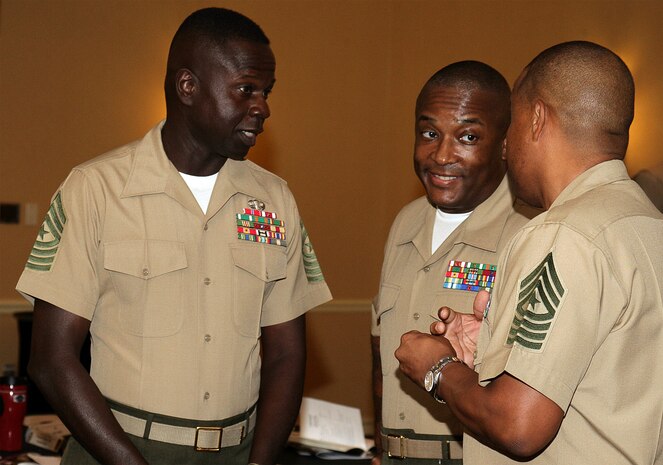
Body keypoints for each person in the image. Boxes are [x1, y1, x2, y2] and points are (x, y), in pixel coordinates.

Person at [16, 7, 332, 465]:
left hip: (239, 452)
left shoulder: (274, 200)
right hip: (118, 449)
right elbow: (50, 359)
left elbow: (286, 355)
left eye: (266, 91)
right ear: (188, 87)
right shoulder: (97, 190)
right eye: (246, 89)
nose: (262, 106)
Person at [395, 41, 663, 464]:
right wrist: (491, 347)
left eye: (512, 124)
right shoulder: (647, 223)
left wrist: (440, 370)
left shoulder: (563, 234)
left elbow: (519, 426)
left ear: (536, 119)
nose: (505, 147)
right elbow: (609, 374)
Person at [371, 61, 539, 464]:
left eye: (467, 136)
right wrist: (381, 447)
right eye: (429, 133)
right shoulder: (405, 221)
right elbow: (379, 347)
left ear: (504, 143)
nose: (441, 154)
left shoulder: (530, 232)